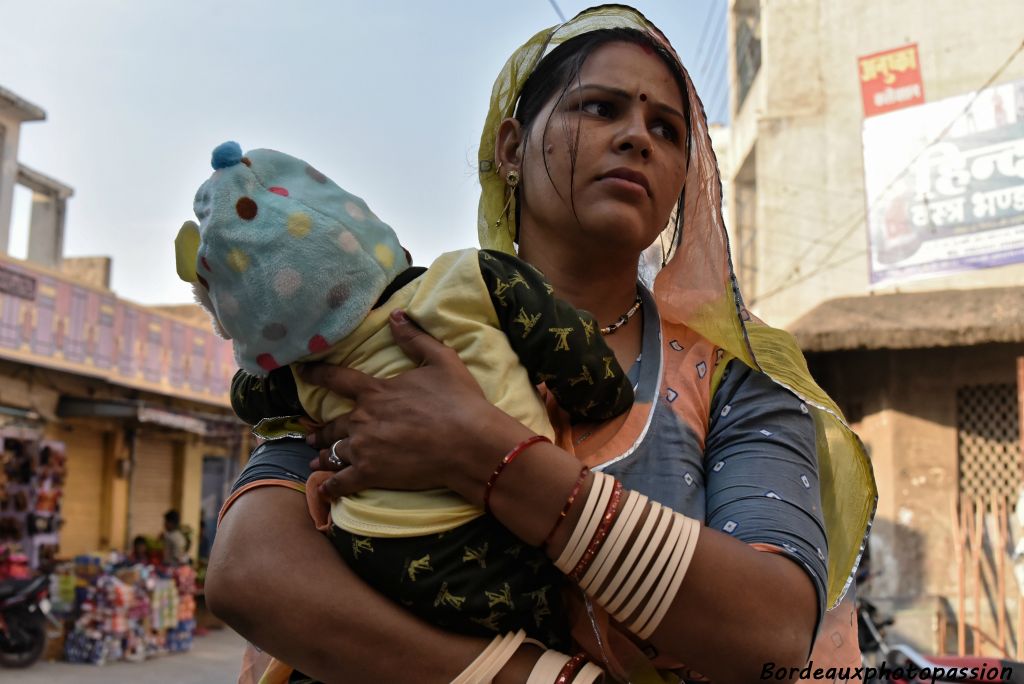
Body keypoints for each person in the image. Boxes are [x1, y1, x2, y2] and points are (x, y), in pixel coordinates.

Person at [206, 5, 876, 683]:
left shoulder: (739, 380)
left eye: (667, 130)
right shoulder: (401, 319)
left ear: (682, 180)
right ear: (510, 147)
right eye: (600, 107)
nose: (636, 136)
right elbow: (251, 572)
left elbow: (773, 634)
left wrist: (484, 453)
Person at [177, 140, 636, 646]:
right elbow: (576, 354)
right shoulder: (472, 278)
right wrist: (605, 397)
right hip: (503, 535)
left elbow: (247, 398)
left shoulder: (297, 377)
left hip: (381, 551)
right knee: (555, 624)